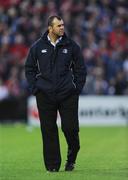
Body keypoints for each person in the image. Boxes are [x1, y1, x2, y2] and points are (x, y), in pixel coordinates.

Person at [25, 15, 87, 172]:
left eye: (63, 25)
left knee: (70, 128)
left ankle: (72, 157)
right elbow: (29, 68)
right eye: (59, 25)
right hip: (45, 95)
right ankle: (52, 167)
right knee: (48, 130)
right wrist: (35, 88)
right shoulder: (37, 47)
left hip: (67, 94)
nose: (62, 27)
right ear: (50, 28)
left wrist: (76, 88)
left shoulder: (72, 46)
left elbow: (80, 69)